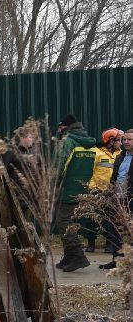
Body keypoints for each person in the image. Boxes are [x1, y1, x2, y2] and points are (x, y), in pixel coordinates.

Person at [53, 114, 98, 271]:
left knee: (64, 222)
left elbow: (59, 166)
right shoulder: (91, 144)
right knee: (71, 222)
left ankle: (78, 256)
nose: (58, 130)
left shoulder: (68, 142)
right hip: (84, 190)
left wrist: (52, 185)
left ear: (66, 127)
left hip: (67, 190)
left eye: (60, 127)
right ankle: (69, 257)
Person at [101, 129, 133, 268]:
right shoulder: (120, 156)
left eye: (130, 139)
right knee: (115, 230)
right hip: (118, 198)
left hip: (131, 199)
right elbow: (115, 177)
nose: (126, 142)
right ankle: (117, 261)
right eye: (124, 139)